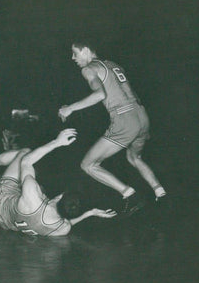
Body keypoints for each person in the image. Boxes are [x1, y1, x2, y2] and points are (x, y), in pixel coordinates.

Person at [58, 42, 166, 214]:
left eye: (74, 54)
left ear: (86, 50)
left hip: (124, 119)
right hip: (141, 115)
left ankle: (130, 195)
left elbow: (100, 94)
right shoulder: (113, 65)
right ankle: (160, 192)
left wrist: (70, 108)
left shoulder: (88, 69)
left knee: (88, 164)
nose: (73, 58)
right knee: (134, 157)